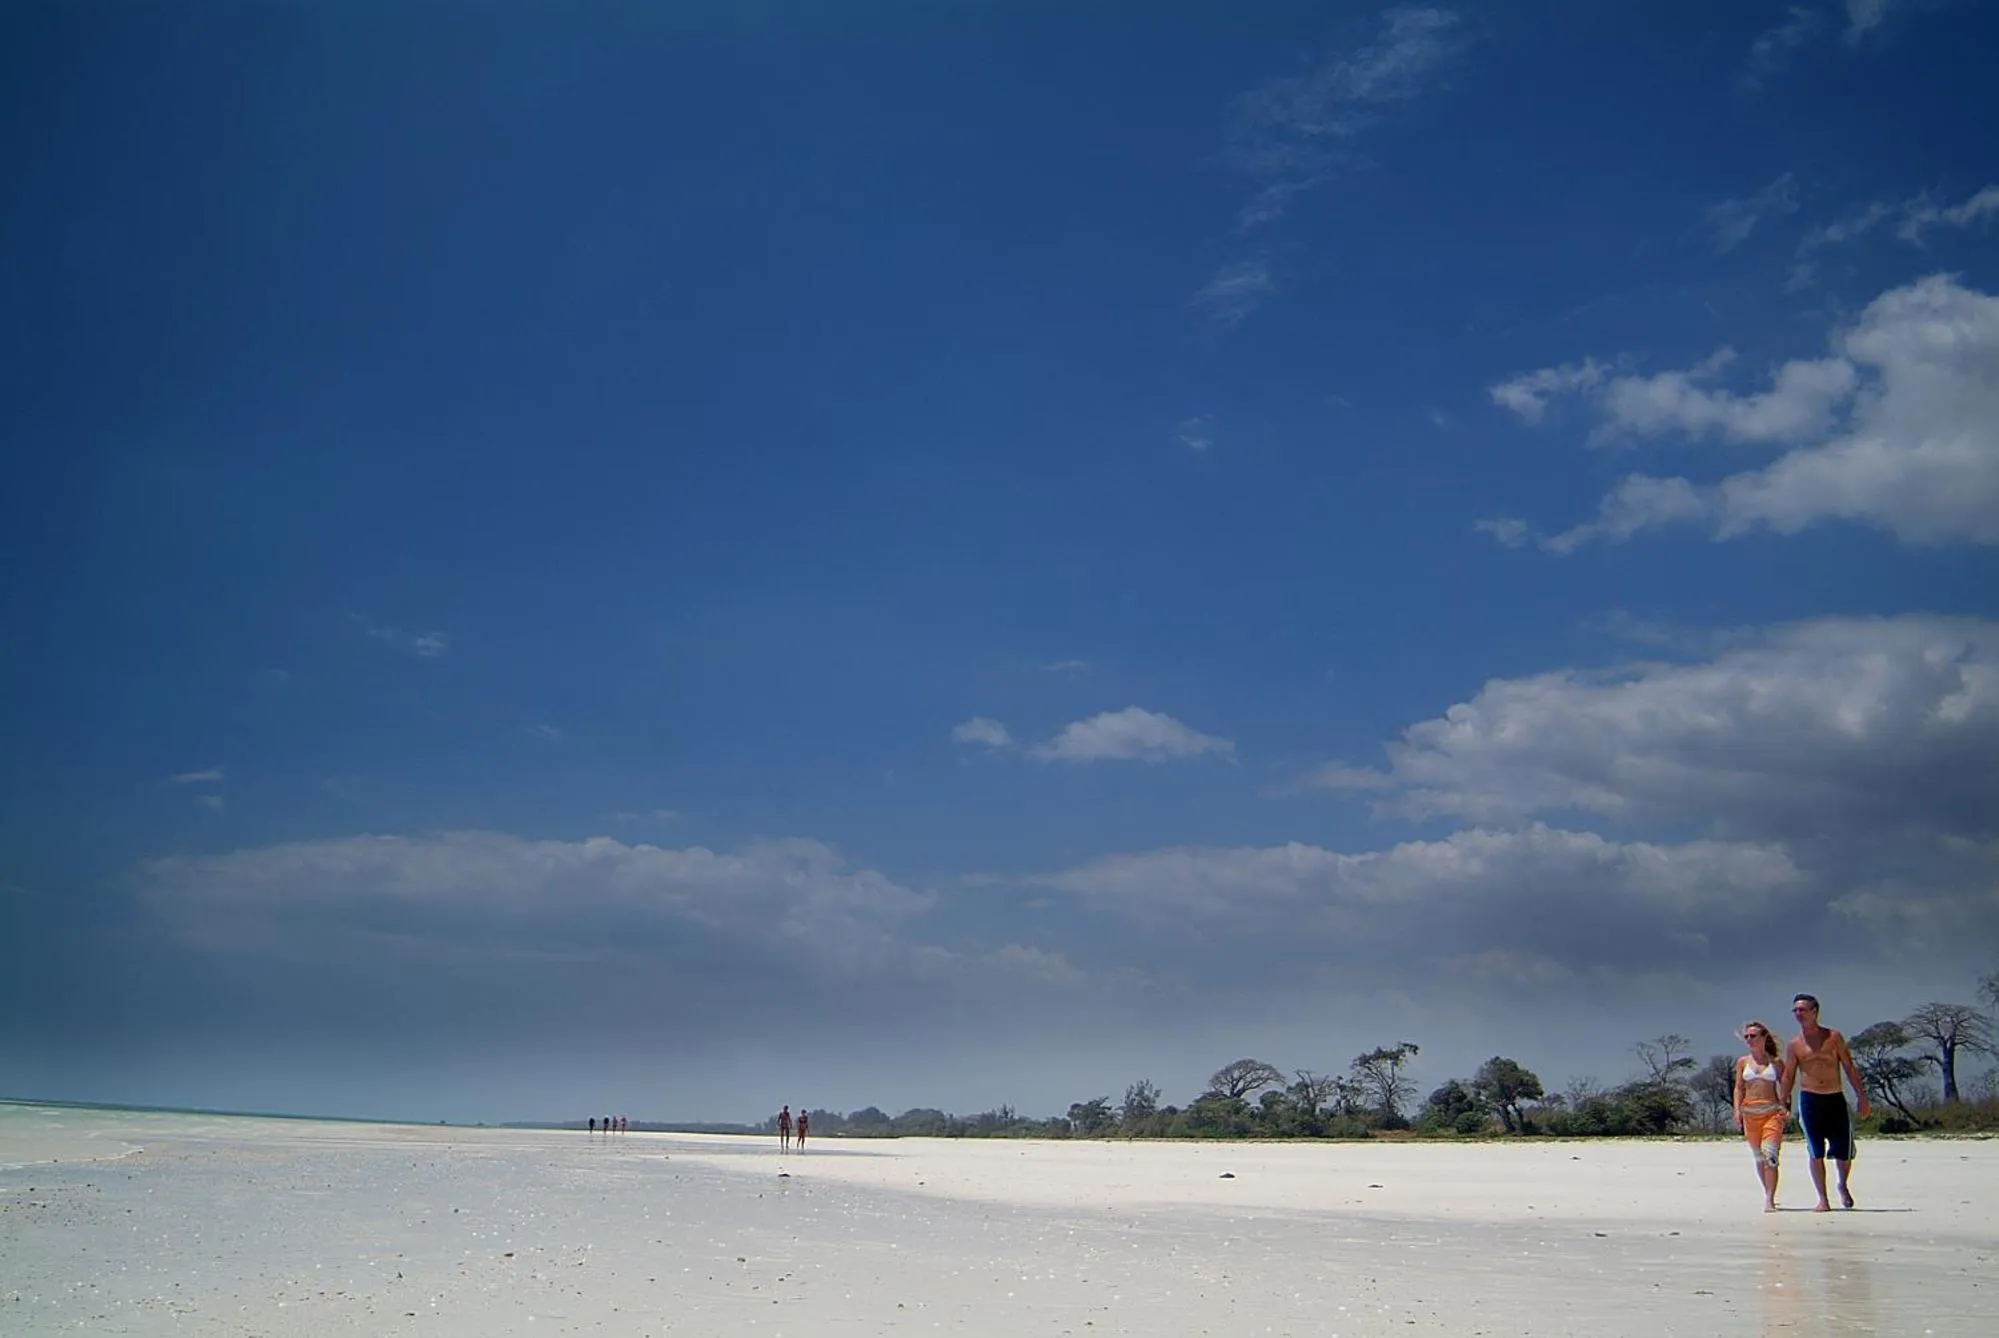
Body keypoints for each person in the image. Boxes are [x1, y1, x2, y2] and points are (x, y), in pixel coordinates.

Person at [1781, 992, 1870, 1211]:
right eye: (1795, 1010)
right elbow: (1789, 1075)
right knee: (1815, 1151)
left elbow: (1849, 1067)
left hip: (1835, 1098)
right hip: (1810, 1101)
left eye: (1802, 1010)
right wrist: (1784, 1101)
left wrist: (1861, 1096)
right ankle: (1823, 1199)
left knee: (1843, 1151)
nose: (1798, 1014)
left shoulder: (1833, 1037)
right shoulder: (1794, 1045)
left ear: (1814, 1012)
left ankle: (1842, 1184)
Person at [1733, 1021, 1788, 1212]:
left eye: (1753, 1036)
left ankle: (1770, 1199)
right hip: (1750, 1115)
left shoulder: (1776, 1063)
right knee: (1759, 1157)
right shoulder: (1742, 1062)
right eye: (1747, 1036)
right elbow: (1739, 1088)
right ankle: (1767, 1191)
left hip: (1771, 1113)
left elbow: (1785, 1087)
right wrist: (1737, 1110)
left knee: (1770, 1155)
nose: (1749, 1039)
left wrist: (1785, 1106)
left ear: (1764, 1037)